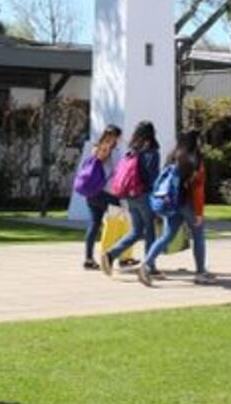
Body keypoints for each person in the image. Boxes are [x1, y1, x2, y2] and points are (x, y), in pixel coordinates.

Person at [139, 131, 214, 286]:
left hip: (172, 203)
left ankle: (146, 265)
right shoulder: (195, 159)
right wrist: (199, 213)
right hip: (189, 204)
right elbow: (198, 189)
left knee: (166, 236)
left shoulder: (172, 156)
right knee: (198, 236)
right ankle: (200, 273)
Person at [99, 121, 160, 276]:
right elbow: (152, 177)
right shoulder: (152, 152)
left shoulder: (132, 151)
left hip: (130, 195)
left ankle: (110, 254)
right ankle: (149, 266)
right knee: (150, 231)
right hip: (144, 195)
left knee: (136, 231)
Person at [75, 125, 123, 269]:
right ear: (114, 136)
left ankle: (89, 259)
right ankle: (115, 256)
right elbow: (107, 163)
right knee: (120, 222)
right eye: (118, 136)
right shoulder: (105, 148)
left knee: (95, 224)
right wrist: (108, 147)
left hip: (93, 193)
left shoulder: (96, 147)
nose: (119, 139)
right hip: (105, 193)